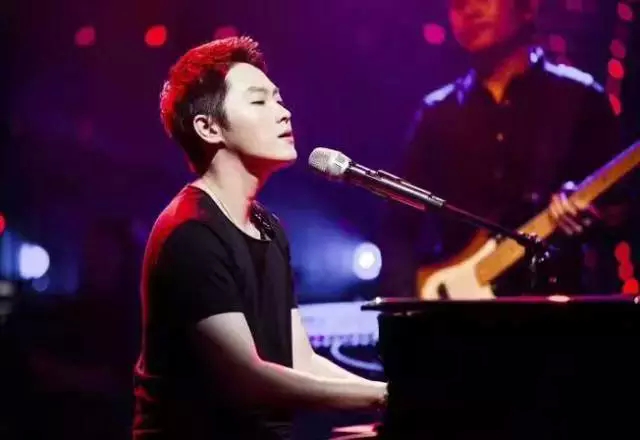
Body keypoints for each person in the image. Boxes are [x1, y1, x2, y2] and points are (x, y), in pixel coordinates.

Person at [132, 36, 387, 439]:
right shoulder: (190, 233)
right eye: (259, 101)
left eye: (279, 99)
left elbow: (299, 360)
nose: (284, 112)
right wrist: (386, 396)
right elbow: (248, 380)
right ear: (208, 127)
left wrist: (391, 396)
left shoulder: (268, 227)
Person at [378, 0, 628, 299]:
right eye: (456, 3)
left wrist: (593, 218)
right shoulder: (436, 113)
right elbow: (397, 227)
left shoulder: (580, 98)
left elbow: (623, 214)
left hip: (557, 308)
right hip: (458, 315)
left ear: (528, 7)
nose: (469, 10)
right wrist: (408, 299)